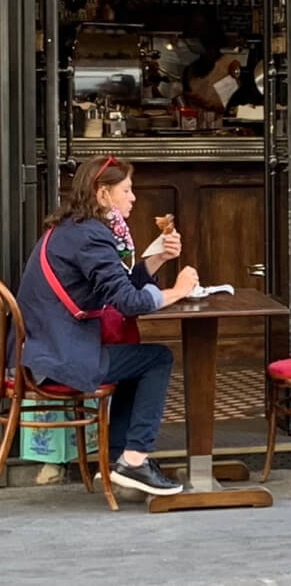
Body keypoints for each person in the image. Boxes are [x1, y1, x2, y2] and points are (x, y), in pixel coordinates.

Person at [11, 155, 200, 496]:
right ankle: (135, 459)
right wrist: (178, 291)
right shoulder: (92, 237)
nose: (133, 198)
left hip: (43, 351)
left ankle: (118, 461)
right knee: (157, 359)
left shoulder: (72, 229)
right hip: (57, 359)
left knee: (136, 360)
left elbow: (118, 287)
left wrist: (157, 259)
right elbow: (127, 301)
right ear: (102, 195)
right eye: (126, 190)